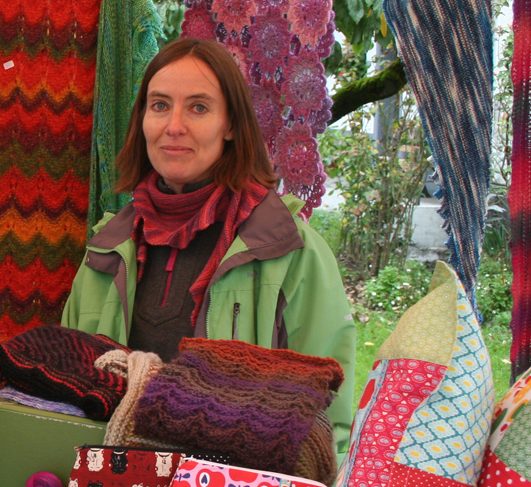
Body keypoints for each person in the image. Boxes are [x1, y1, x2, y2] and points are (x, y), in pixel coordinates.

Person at [61, 37, 356, 451]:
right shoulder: (108, 250)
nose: (174, 126)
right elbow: (67, 398)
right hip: (112, 482)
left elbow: (328, 423)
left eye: (198, 107)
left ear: (230, 125)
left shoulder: (288, 250)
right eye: (159, 105)